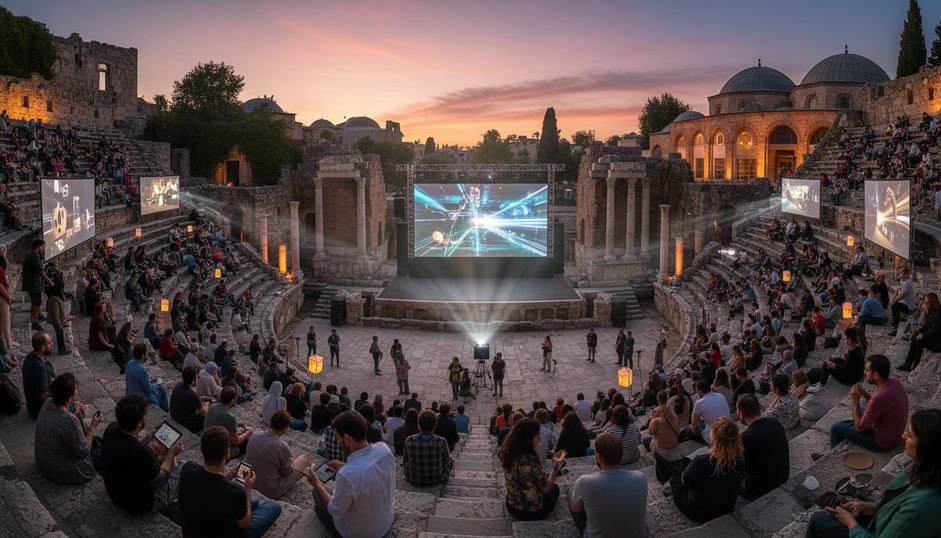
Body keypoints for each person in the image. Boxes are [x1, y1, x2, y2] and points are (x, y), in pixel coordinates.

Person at [804, 409, 941, 538]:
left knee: (818, 519)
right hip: (879, 523)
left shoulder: (920, 506)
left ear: (925, 446)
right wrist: (875, 507)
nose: (903, 435)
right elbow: (898, 498)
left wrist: (851, 524)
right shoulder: (926, 469)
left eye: (910, 435)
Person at [179, 426, 282, 538]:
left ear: (201, 449)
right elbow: (244, 524)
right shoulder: (235, 492)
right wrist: (247, 489)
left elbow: (209, 485)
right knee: (274, 506)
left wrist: (228, 475)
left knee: (254, 501)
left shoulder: (187, 469)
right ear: (227, 454)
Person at [308, 410, 396, 538]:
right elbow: (369, 469)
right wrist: (344, 466)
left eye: (338, 438)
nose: (338, 442)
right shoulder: (385, 450)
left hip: (357, 533)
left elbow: (334, 510)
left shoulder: (347, 475)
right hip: (385, 523)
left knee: (318, 493)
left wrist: (315, 482)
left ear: (346, 438)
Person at [101, 394, 184, 515]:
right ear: (140, 423)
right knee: (184, 470)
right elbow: (162, 479)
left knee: (161, 458)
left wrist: (144, 441)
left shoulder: (111, 429)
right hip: (139, 506)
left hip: (115, 492)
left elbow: (127, 448)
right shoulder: (143, 452)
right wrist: (171, 454)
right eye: (145, 415)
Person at [816, 355, 908, 458]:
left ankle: (830, 457)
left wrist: (855, 401)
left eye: (867, 370)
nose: (864, 372)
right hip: (893, 435)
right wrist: (864, 394)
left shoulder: (878, 398)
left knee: (836, 427)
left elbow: (860, 427)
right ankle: (852, 427)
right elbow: (880, 404)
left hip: (881, 442)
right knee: (863, 406)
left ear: (875, 375)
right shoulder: (895, 382)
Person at [655, 417, 745, 523]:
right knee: (685, 462)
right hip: (726, 508)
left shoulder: (702, 461)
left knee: (674, 477)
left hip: (698, 511)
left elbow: (684, 482)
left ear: (714, 437)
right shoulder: (740, 461)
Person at [569, 432, 648, 538]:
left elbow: (576, 509)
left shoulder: (584, 482)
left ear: (599, 458)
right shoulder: (640, 478)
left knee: (571, 492)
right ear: (621, 454)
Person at [34, 373, 102, 483]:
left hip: (44, 462)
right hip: (66, 470)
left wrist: (74, 416)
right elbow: (84, 453)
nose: (77, 389)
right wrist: (92, 426)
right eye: (76, 388)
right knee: (106, 452)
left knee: (97, 440)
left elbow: (60, 422)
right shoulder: (69, 420)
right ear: (70, 398)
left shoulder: (48, 402)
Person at [500, 417, 562, 521]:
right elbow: (545, 489)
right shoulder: (532, 461)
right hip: (533, 512)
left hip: (512, 507)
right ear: (528, 439)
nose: (540, 439)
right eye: (537, 437)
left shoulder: (505, 453)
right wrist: (556, 468)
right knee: (554, 488)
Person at [243, 411, 308, 499]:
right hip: (269, 490)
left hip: (246, 481)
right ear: (285, 428)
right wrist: (291, 461)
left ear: (271, 422)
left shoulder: (255, 434)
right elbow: (287, 471)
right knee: (303, 459)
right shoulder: (281, 446)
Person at [736, 394, 789, 500]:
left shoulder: (745, 438)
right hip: (783, 477)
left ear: (741, 414)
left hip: (758, 490)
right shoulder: (774, 422)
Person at [403, 409, 453, 488]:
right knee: (451, 460)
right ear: (435, 425)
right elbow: (446, 461)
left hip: (412, 478)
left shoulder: (409, 440)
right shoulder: (441, 441)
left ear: (419, 424)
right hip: (436, 479)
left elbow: (405, 460)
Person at [807, 327, 865, 392]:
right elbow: (850, 363)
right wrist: (839, 360)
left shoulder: (853, 352)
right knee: (834, 360)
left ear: (850, 339)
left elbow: (844, 368)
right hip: (854, 374)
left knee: (826, 365)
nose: (844, 339)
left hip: (851, 379)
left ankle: (820, 385)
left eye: (845, 338)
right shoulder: (856, 348)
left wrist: (834, 365)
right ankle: (821, 380)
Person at [205, 387, 254, 459]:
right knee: (250, 439)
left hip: (207, 443)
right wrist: (248, 432)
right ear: (232, 400)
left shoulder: (212, 407)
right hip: (220, 451)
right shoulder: (229, 417)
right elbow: (236, 442)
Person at [898, 292, 941, 371]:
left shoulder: (938, 313)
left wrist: (922, 335)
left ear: (931, 303)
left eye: (926, 302)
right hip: (931, 336)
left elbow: (933, 331)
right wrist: (919, 330)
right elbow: (927, 325)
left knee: (920, 341)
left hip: (937, 341)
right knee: (915, 337)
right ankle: (908, 363)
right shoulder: (932, 310)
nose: (925, 303)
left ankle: (916, 366)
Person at [682, 379, 730, 444]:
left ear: (700, 391)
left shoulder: (699, 403)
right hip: (727, 429)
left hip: (713, 436)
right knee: (701, 421)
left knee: (688, 429)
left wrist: (692, 435)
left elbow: (694, 426)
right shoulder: (720, 395)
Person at [125, 343, 169, 412]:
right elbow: (149, 389)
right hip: (140, 398)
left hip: (130, 394)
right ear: (143, 355)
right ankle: (165, 412)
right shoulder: (142, 370)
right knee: (161, 389)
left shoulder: (130, 363)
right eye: (146, 353)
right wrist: (156, 385)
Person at [22, 331, 56, 419]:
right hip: (38, 410)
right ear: (43, 347)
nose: (52, 344)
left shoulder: (30, 356)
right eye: (49, 343)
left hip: (32, 406)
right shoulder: (40, 368)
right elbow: (43, 396)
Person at [23, 238, 54, 331]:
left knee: (35, 301)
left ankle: (38, 316)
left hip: (31, 282)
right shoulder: (34, 257)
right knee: (37, 303)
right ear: (38, 246)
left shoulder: (32, 255)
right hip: (33, 283)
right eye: (43, 247)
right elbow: (41, 272)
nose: (43, 249)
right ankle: (35, 322)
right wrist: (50, 281)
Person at [170, 366, 210, 434]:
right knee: (209, 414)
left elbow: (187, 397)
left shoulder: (178, 385)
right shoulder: (193, 396)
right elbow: (204, 414)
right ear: (194, 381)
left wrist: (202, 398)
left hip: (175, 418)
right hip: (189, 426)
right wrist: (207, 404)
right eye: (197, 378)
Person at [888, 267, 916, 337]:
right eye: (902, 274)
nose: (903, 275)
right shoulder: (902, 281)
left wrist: (895, 300)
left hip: (909, 305)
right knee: (894, 303)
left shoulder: (907, 283)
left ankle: (896, 327)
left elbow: (903, 295)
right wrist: (894, 297)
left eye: (905, 274)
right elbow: (899, 291)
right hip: (904, 302)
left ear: (908, 274)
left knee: (895, 304)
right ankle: (895, 321)